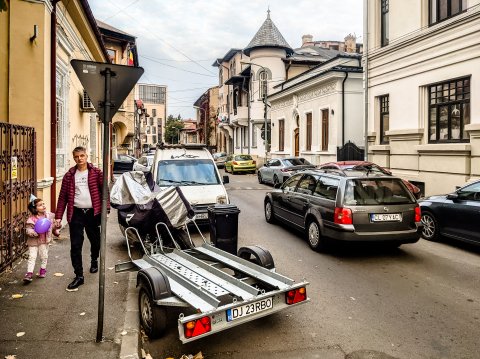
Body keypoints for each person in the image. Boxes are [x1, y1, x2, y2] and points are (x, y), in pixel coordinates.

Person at [55, 146, 108, 291]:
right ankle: (79, 276)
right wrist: (58, 217)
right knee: (76, 246)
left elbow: (105, 192)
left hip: (93, 213)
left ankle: (94, 260)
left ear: (87, 156)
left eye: (82, 156)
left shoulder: (96, 173)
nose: (80, 159)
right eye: (77, 156)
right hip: (76, 214)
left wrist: (106, 210)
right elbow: (62, 198)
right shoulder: (69, 175)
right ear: (74, 158)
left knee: (95, 240)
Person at [24, 197, 60, 283]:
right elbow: (28, 229)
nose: (43, 206)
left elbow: (52, 226)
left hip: (44, 241)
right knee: (32, 257)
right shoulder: (31, 219)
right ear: (35, 208)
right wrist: (32, 232)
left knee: (44, 256)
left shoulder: (48, 216)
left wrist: (57, 226)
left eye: (43, 204)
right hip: (33, 241)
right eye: (40, 205)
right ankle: (29, 273)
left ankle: (43, 270)